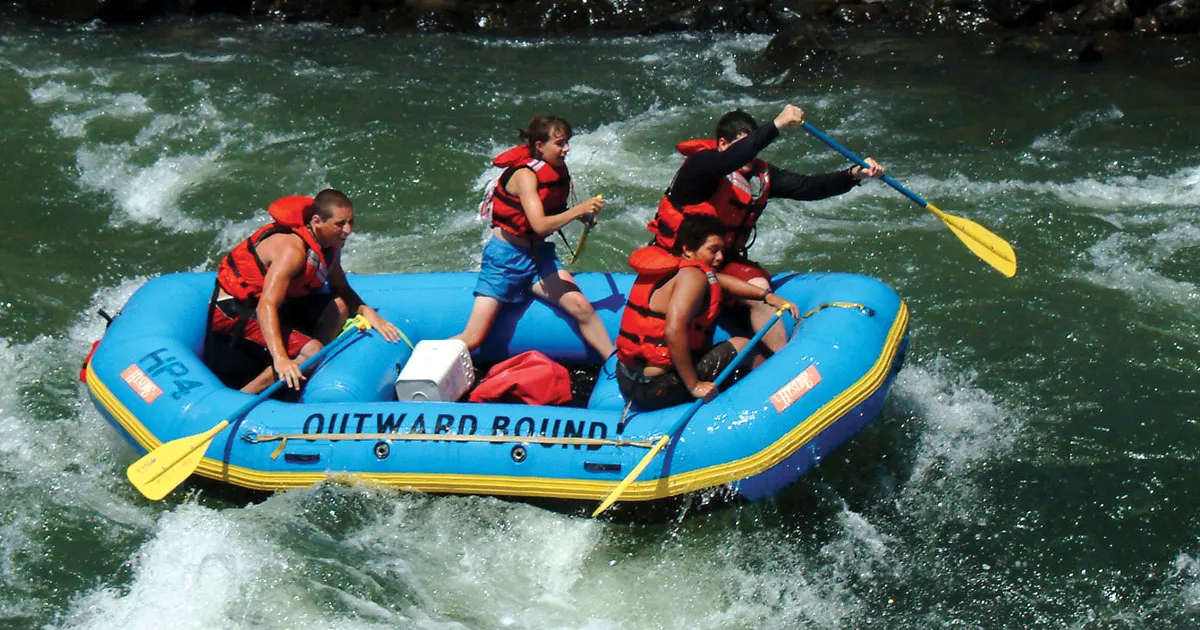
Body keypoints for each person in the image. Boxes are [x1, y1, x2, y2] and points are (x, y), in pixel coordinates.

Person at [647, 104, 885, 351]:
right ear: (722, 144)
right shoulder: (702, 167)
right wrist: (777, 124)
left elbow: (808, 187)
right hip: (679, 262)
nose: (749, 155)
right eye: (743, 146)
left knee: (759, 291)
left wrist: (854, 175)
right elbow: (733, 158)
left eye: (752, 147)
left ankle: (784, 363)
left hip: (720, 261)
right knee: (749, 292)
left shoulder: (759, 176)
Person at [207, 189, 401, 393]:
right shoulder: (293, 251)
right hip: (235, 311)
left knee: (340, 305)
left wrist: (365, 310)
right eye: (340, 224)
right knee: (312, 351)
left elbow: (340, 287)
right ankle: (245, 394)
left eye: (350, 222)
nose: (348, 230)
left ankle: (310, 369)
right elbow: (267, 305)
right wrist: (280, 358)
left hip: (269, 305)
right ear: (317, 221)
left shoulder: (329, 244)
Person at [454, 114, 613, 358]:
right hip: (506, 258)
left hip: (538, 256)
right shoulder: (525, 175)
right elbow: (539, 225)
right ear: (539, 146)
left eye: (567, 142)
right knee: (473, 338)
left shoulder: (555, 169)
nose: (566, 149)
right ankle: (427, 358)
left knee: (582, 307)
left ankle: (614, 363)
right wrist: (579, 209)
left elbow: (551, 212)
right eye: (560, 143)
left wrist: (583, 216)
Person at [616, 215, 799, 411]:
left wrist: (766, 296)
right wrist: (694, 385)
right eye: (713, 250)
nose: (720, 257)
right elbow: (673, 330)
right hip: (660, 388)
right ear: (688, 249)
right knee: (744, 345)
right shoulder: (692, 277)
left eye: (721, 250)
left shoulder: (674, 269)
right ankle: (779, 394)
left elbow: (719, 282)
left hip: (628, 381)